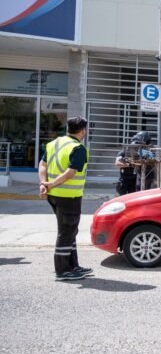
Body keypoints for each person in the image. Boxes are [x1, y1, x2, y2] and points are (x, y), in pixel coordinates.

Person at [38, 116, 92, 282]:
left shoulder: (54, 143)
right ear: (83, 131)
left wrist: (44, 184)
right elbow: (71, 172)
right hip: (69, 197)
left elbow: (42, 165)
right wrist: (51, 184)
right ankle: (62, 271)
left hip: (54, 196)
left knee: (70, 232)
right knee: (66, 232)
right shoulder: (78, 148)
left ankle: (73, 265)